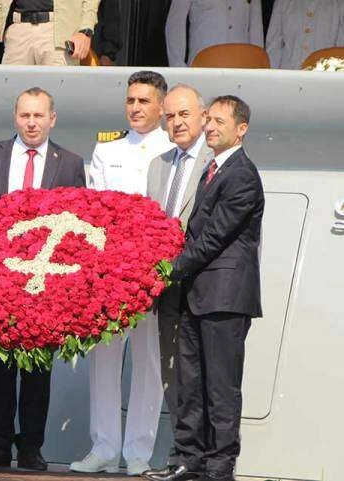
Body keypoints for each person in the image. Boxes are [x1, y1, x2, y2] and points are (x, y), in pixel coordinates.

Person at [144, 96, 264, 481]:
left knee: (221, 387)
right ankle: (189, 459)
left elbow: (213, 237)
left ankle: (220, 467)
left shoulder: (241, 175)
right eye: (209, 120)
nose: (209, 127)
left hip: (225, 297)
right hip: (196, 297)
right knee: (190, 382)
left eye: (219, 122)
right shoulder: (212, 170)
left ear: (241, 129)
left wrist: (169, 271)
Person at [0, 87, 85, 472]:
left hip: (45, 281)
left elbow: (77, 222)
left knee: (38, 369)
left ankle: (32, 447)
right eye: (25, 115)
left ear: (52, 119)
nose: (32, 123)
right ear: (15, 117)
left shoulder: (70, 164)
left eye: (38, 116)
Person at [70, 71, 173, 476]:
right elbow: (94, 211)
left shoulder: (173, 150)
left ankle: (138, 452)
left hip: (152, 274)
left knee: (149, 364)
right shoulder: (107, 148)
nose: (135, 107)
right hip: (110, 274)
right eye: (131, 100)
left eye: (144, 101)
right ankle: (104, 446)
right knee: (104, 361)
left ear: (161, 106)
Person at [142, 83, 214, 472]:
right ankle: (184, 456)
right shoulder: (158, 165)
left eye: (184, 114)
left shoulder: (215, 163)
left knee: (206, 378)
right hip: (167, 291)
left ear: (203, 116)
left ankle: (207, 460)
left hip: (203, 288)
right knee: (172, 376)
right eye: (170, 116)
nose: (177, 122)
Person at [0, 0, 99, 66]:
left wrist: (85, 29)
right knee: (13, 94)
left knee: (58, 94)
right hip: (18, 29)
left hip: (58, 29)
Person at [165, 0, 264, 67]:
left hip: (241, 66)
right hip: (202, 65)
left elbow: (256, 27)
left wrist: (259, 66)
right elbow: (175, 23)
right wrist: (178, 66)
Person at [266, 0, 344, 69]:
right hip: (288, 72)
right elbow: (273, 45)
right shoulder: (283, 2)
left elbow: (341, 49)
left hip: (323, 74)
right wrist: (271, 76)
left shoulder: (338, 4)